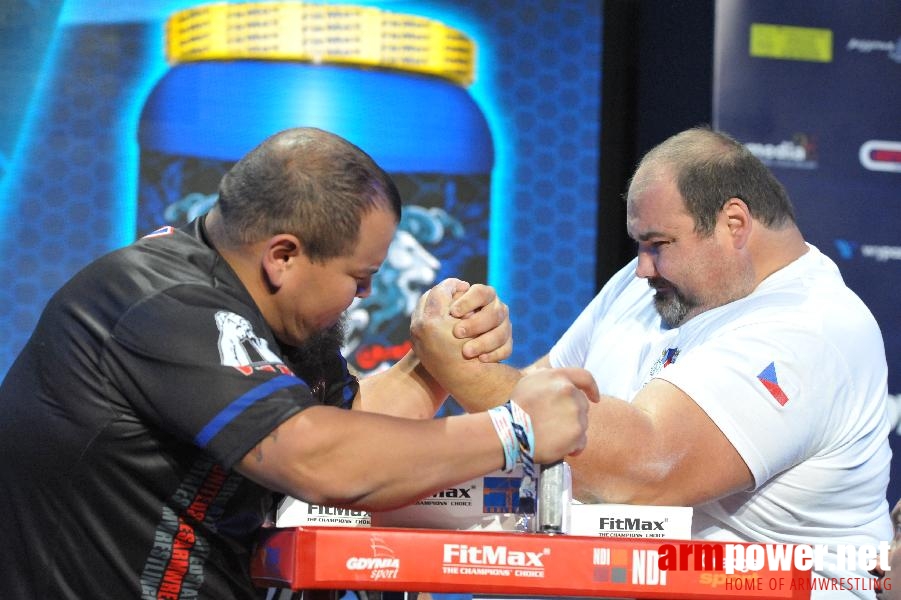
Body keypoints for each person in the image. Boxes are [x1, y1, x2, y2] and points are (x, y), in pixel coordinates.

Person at [0, 127, 598, 599]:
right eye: (359, 278)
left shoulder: (253, 302)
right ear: (283, 256)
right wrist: (516, 428)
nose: (365, 297)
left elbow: (354, 425)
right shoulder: (163, 301)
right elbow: (317, 456)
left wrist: (435, 354)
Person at [414, 126, 892, 597]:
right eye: (640, 244)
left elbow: (646, 470)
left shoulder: (812, 328)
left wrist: (464, 372)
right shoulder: (649, 281)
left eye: (658, 244)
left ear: (734, 224)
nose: (642, 266)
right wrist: (468, 341)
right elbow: (541, 388)